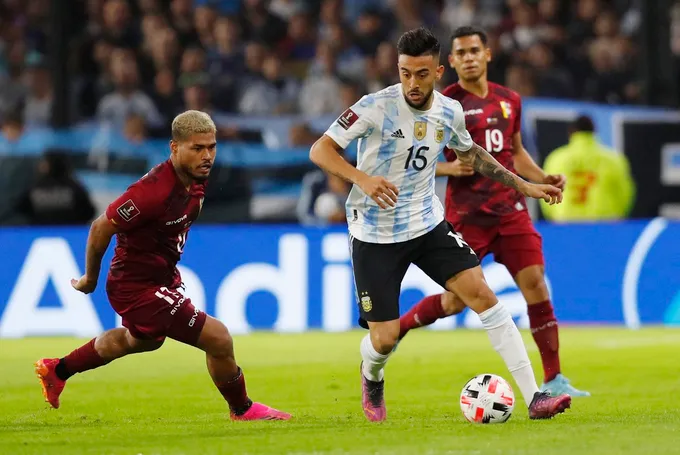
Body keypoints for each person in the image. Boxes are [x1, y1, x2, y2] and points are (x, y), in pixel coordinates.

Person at [309, 27, 571, 423]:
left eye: (421, 74)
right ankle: (371, 374)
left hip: (427, 224)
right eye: (405, 73)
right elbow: (320, 149)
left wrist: (525, 186)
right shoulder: (374, 106)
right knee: (384, 338)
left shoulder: (450, 112)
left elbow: (477, 156)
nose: (412, 83)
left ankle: (535, 396)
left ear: (438, 72)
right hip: (375, 234)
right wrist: (362, 179)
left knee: (483, 295)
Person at [34, 110, 290, 421]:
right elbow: (101, 227)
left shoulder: (195, 176)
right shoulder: (151, 192)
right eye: (197, 148)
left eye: (211, 147)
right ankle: (242, 409)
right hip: (137, 287)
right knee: (219, 338)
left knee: (138, 342)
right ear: (174, 147)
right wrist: (90, 278)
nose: (207, 156)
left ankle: (57, 369)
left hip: (160, 277)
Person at [397, 26, 590, 398]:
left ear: (487, 54)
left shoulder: (510, 100)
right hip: (468, 216)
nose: (468, 57)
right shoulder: (444, 104)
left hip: (511, 211)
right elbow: (410, 158)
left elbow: (515, 153)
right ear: (450, 61)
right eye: (461, 53)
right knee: (455, 301)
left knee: (535, 282)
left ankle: (554, 378)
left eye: (474, 50)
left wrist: (542, 176)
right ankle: (401, 326)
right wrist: (449, 168)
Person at [541, 115, 635, 222]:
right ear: (594, 131)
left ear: (571, 132)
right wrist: (618, 215)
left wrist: (554, 217)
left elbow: (546, 193)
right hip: (605, 223)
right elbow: (625, 193)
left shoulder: (556, 158)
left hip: (566, 223)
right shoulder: (613, 159)